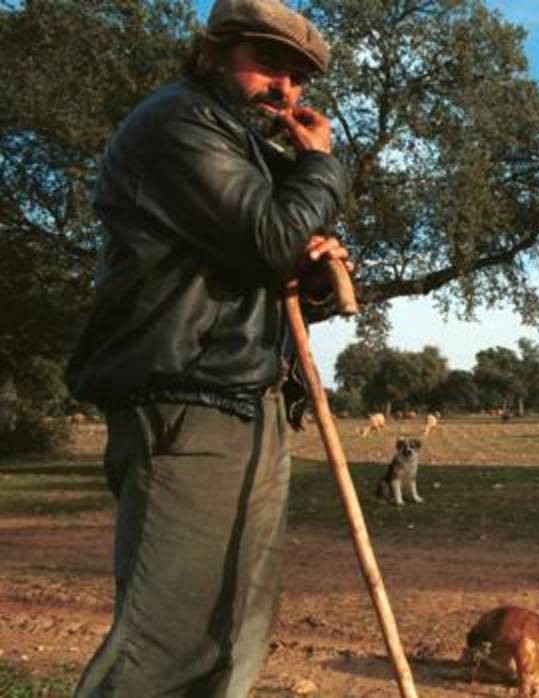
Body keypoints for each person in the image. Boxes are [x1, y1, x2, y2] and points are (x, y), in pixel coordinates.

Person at [65, 1, 351, 695]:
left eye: (299, 78)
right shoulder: (179, 124)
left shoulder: (243, 148)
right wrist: (321, 168)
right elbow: (270, 239)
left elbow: (263, 263)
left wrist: (309, 278)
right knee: (165, 646)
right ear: (215, 51)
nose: (286, 89)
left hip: (243, 402)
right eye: (270, 65)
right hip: (186, 403)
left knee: (230, 637)